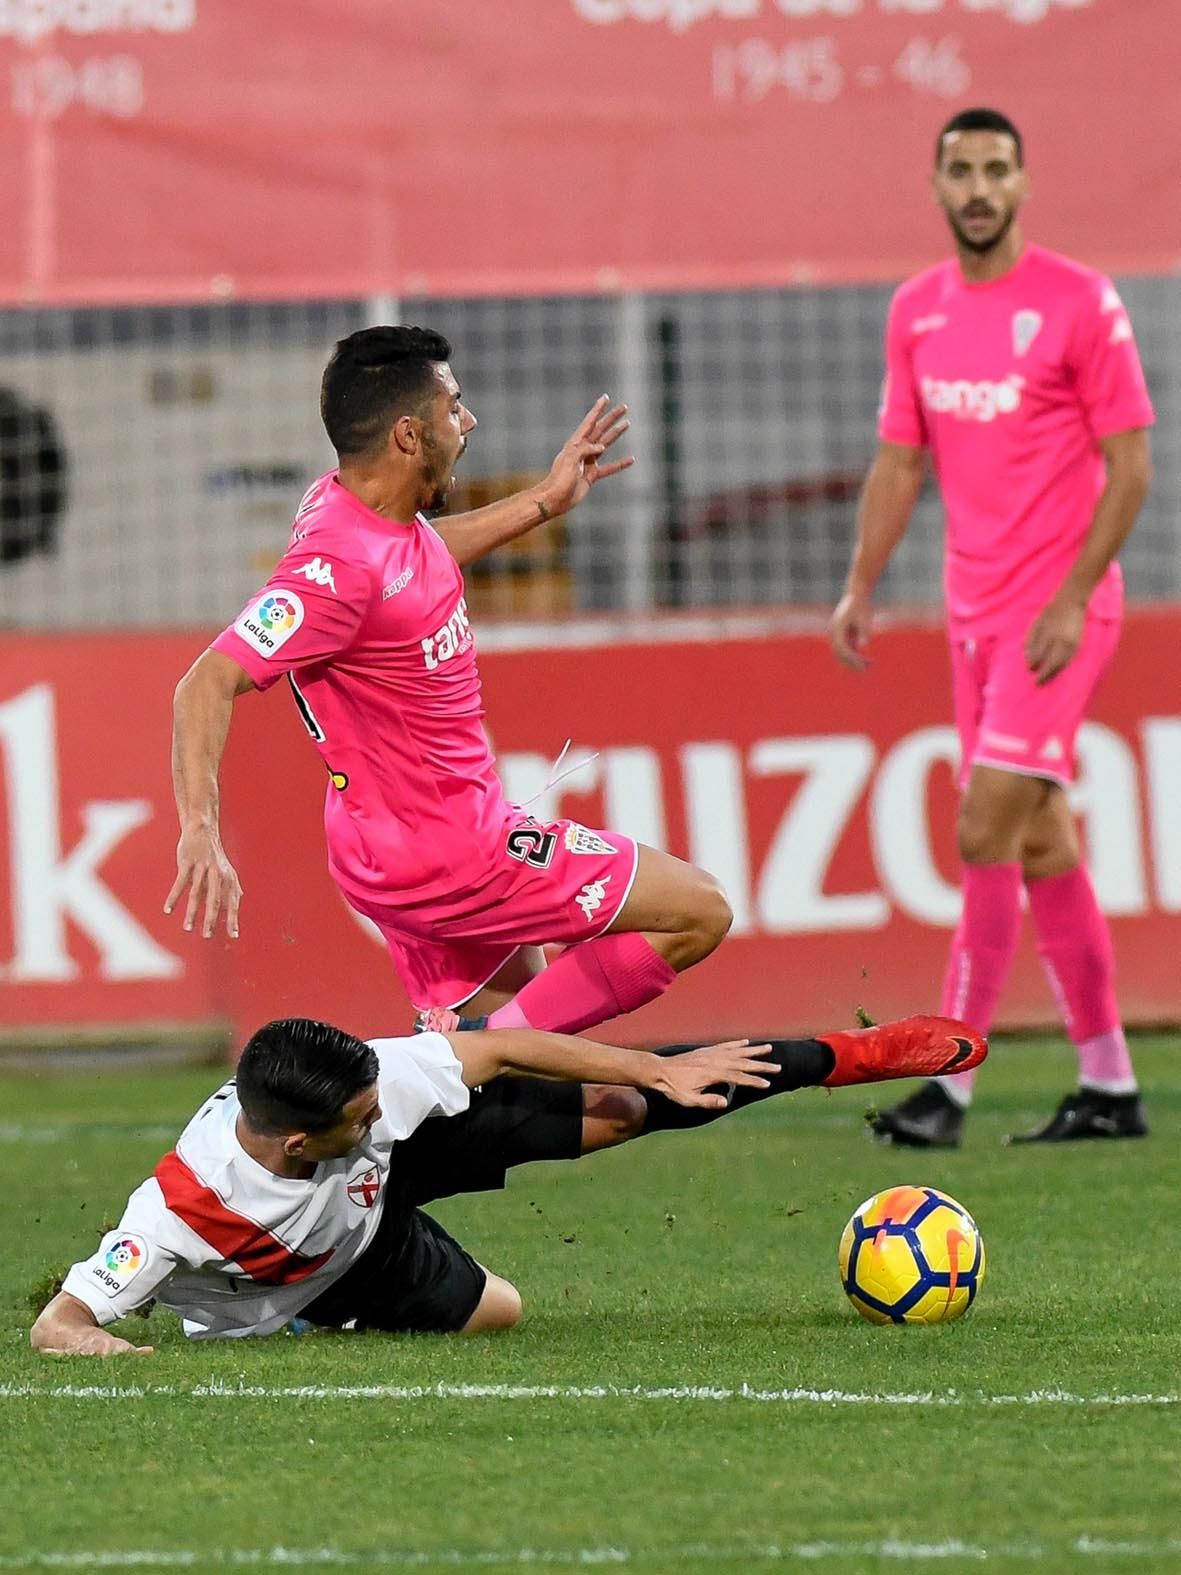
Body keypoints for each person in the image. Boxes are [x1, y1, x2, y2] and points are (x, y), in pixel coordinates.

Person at [166, 326, 733, 1036]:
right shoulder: (335, 568)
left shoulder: (349, 511)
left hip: (386, 845)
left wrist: (543, 504)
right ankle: (474, 1054)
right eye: (453, 407)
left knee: (501, 1100)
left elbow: (415, 558)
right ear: (409, 434)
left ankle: (470, 1066)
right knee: (699, 910)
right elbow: (207, 681)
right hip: (456, 854)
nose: (467, 423)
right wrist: (199, 828)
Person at [830, 107, 1155, 1148]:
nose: (976, 187)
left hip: (1055, 618)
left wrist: (1069, 596)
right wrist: (858, 584)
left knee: (979, 829)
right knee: (1041, 836)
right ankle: (1107, 1086)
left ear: (1022, 184)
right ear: (935, 186)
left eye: (994, 170)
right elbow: (897, 462)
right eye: (959, 170)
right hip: (968, 617)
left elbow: (1132, 464)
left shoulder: (1077, 303)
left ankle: (945, 1080)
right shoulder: (915, 311)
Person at [30, 1013, 986, 1354]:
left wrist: (658, 1070)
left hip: (373, 1191)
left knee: (620, 1108)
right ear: (289, 1144)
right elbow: (57, 1325)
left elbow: (501, 1048)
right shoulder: (179, 1212)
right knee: (501, 1313)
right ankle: (334, 1316)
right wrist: (103, 1350)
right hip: (327, 1275)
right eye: (354, 1118)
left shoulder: (366, 1095)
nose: (376, 1109)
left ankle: (848, 1053)